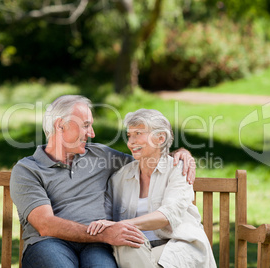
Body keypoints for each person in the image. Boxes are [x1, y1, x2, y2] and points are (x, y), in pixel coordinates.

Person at [9, 95, 196, 268]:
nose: (92, 133)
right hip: (49, 243)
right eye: (85, 125)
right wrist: (106, 233)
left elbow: (148, 159)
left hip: (97, 245)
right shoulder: (27, 170)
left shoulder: (100, 155)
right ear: (60, 126)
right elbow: (46, 224)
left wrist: (179, 154)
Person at [87, 109, 217, 268]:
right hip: (137, 250)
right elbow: (105, 218)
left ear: (160, 138)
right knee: (125, 241)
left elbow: (167, 215)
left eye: (138, 133)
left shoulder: (178, 170)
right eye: (129, 135)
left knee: (126, 236)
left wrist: (121, 225)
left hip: (178, 245)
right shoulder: (120, 177)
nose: (131, 142)